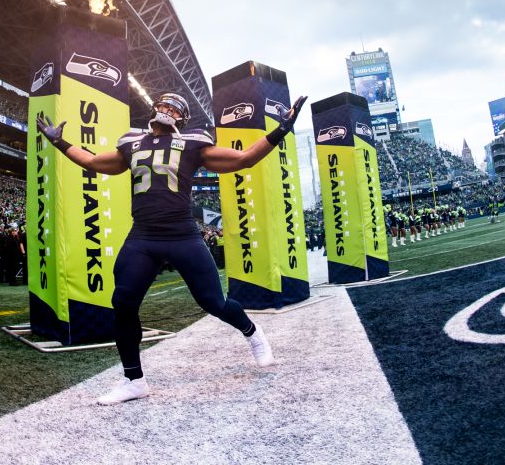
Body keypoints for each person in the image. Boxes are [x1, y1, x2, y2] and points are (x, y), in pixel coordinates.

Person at [37, 91, 306, 405]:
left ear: (182, 118)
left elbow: (244, 158)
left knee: (214, 302)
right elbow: (94, 162)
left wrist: (281, 130)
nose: (166, 109)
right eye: (162, 105)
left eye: (174, 108)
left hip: (182, 235)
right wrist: (59, 143)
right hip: (143, 237)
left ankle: (252, 332)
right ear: (153, 110)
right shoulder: (131, 142)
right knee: (123, 302)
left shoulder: (193, 142)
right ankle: (134, 380)